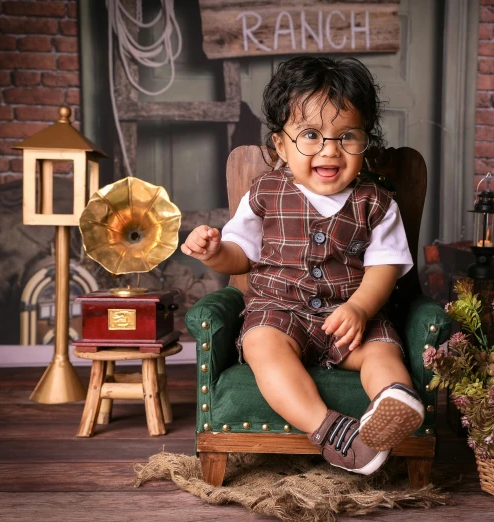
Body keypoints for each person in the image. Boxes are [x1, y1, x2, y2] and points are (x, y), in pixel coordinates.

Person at [181, 56, 424, 475]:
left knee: (380, 351)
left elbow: (385, 266)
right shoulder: (265, 192)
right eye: (311, 135)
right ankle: (332, 432)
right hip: (279, 314)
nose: (330, 150)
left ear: (365, 140)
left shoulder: (377, 202)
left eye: (347, 136)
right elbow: (241, 253)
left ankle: (393, 402)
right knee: (261, 346)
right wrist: (213, 252)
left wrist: (361, 309)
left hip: (349, 317)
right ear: (280, 145)